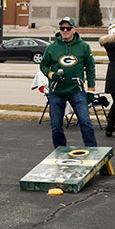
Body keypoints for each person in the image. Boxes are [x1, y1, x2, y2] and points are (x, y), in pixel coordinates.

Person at [40, 16, 98, 148]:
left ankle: (92, 150)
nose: (65, 30)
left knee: (85, 122)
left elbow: (90, 68)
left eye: (68, 28)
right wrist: (51, 74)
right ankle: (60, 150)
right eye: (62, 28)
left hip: (76, 91)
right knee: (55, 126)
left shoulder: (83, 47)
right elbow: (43, 65)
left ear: (74, 30)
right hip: (57, 91)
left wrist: (91, 89)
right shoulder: (52, 47)